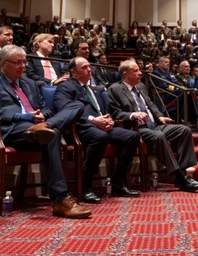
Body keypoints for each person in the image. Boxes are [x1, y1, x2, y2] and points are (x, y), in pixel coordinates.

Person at [0, 45, 92, 218]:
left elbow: (46, 108)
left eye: (24, 62)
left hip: (36, 127)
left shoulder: (29, 83)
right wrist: (23, 117)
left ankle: (47, 127)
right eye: (17, 62)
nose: (23, 66)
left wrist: (42, 117)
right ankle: (60, 199)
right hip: (11, 129)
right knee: (51, 135)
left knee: (77, 105)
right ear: (3, 63)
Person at [108, 59, 198, 193]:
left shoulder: (141, 86)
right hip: (137, 128)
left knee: (184, 130)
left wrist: (159, 116)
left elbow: (150, 105)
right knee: (159, 136)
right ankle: (181, 178)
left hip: (154, 125)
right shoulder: (115, 89)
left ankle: (183, 175)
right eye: (136, 71)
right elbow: (115, 113)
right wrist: (132, 115)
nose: (140, 73)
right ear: (125, 74)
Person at [53, 56, 140, 203]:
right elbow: (64, 110)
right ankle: (85, 185)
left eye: (89, 67)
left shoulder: (94, 89)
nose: (89, 70)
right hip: (80, 126)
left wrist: (108, 120)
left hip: (101, 126)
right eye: (84, 68)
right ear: (73, 72)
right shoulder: (65, 87)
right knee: (100, 137)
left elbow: (104, 111)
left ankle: (118, 181)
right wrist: (94, 120)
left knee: (132, 136)